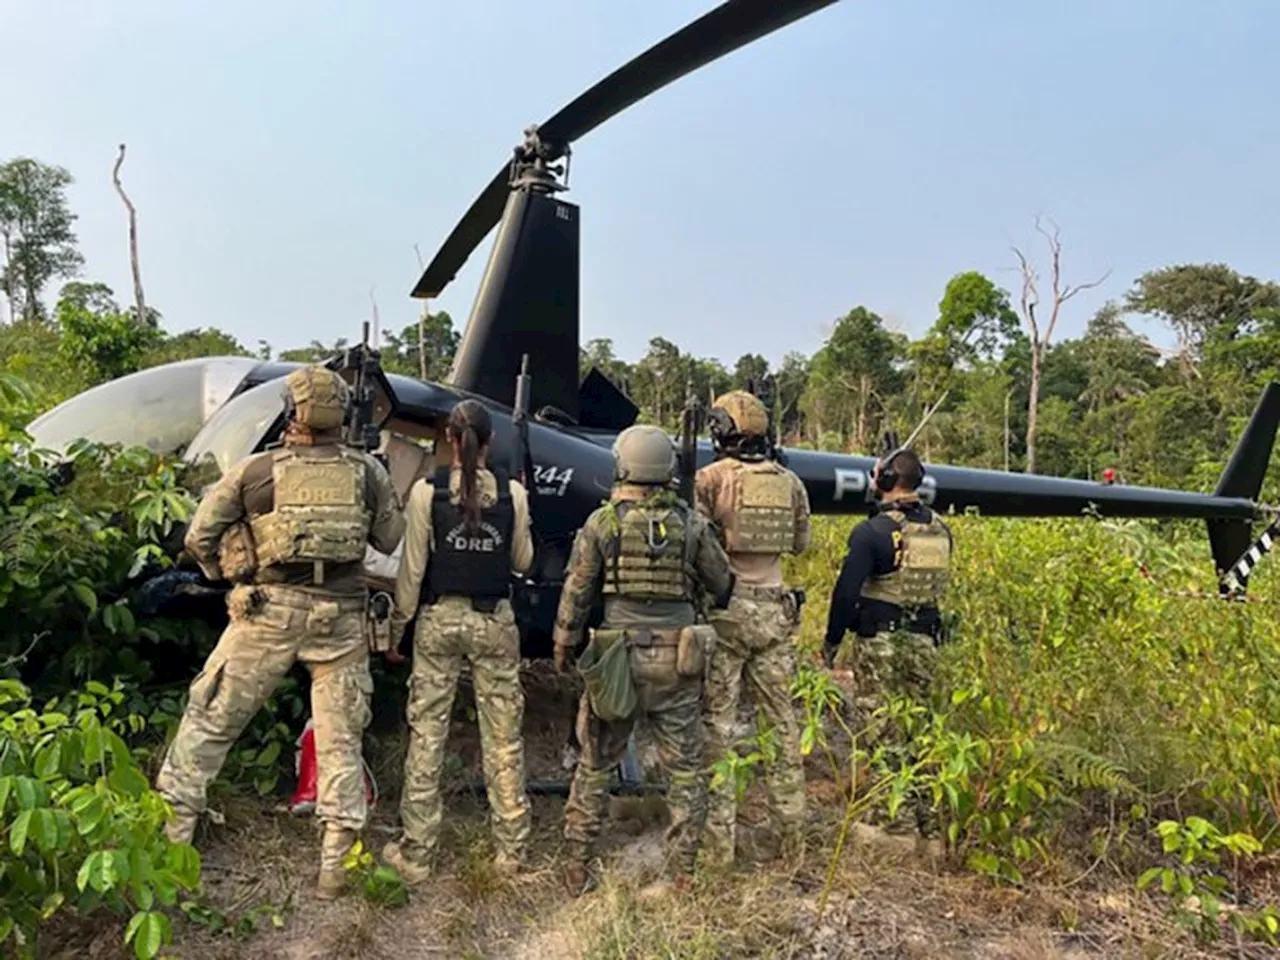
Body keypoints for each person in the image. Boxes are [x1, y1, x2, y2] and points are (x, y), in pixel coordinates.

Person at [157, 364, 405, 899]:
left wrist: (226, 575)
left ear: (292, 413)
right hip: (340, 620)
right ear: (340, 416)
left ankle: (171, 847)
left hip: (265, 611)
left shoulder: (254, 471)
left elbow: (200, 536)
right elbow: (390, 538)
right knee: (340, 742)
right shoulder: (367, 473)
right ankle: (334, 870)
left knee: (210, 721)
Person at [553, 424, 735, 896]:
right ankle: (681, 873)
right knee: (684, 771)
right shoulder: (692, 523)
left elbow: (577, 590)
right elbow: (723, 585)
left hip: (617, 658)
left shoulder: (603, 522)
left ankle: (576, 865)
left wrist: (564, 645)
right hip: (678, 659)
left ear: (622, 466)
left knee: (595, 763)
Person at [380, 399, 535, 883]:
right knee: (504, 738)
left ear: (449, 439)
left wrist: (396, 631)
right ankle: (511, 852)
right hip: (494, 622)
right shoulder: (512, 494)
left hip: (439, 621)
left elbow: (412, 571)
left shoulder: (428, 493)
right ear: (489, 442)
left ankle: (418, 853)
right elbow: (524, 563)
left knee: (427, 734)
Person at [695, 390, 811, 868]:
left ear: (721, 429)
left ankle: (717, 850)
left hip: (727, 611)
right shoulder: (791, 483)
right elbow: (801, 543)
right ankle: (792, 842)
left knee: (717, 729)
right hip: (776, 612)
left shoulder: (708, 480)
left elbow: (697, 548)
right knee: (782, 727)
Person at [822, 446, 952, 836]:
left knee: (882, 730)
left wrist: (831, 642)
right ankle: (927, 818)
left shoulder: (872, 532)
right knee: (920, 729)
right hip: (926, 640)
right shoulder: (940, 528)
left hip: (882, 643)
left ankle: (893, 821)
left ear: (883, 481)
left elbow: (846, 593)